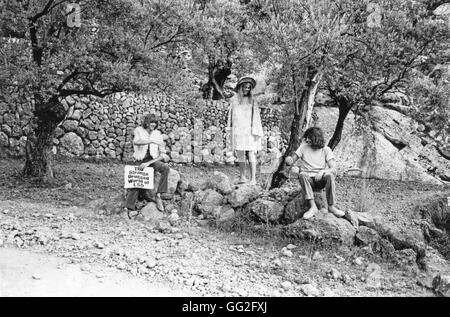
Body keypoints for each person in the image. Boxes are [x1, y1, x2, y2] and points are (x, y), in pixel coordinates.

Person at [285, 127, 345, 220]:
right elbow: (291, 160)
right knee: (302, 174)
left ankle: (331, 206)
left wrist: (323, 171)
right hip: (308, 179)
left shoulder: (326, 150)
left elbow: (334, 168)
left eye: (309, 137)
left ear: (316, 138)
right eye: (306, 137)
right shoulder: (303, 147)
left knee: (329, 175)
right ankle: (313, 207)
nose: (307, 139)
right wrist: (289, 160)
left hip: (320, 180)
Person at [216, 76, 263, 185]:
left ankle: (253, 179)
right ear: (240, 87)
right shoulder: (234, 100)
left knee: (251, 153)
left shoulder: (253, 101)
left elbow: (256, 117)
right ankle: (242, 177)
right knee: (240, 154)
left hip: (249, 131)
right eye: (245, 87)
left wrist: (255, 131)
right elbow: (231, 117)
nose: (246, 89)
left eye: (248, 87)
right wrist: (230, 131)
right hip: (238, 132)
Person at [124, 114, 170, 217]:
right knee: (136, 180)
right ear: (146, 122)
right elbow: (136, 142)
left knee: (165, 168)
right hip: (140, 159)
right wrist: (151, 141)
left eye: (154, 123)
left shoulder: (158, 134)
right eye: (151, 122)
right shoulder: (139, 130)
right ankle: (129, 207)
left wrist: (148, 163)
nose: (153, 124)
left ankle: (158, 194)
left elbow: (163, 154)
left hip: (151, 160)